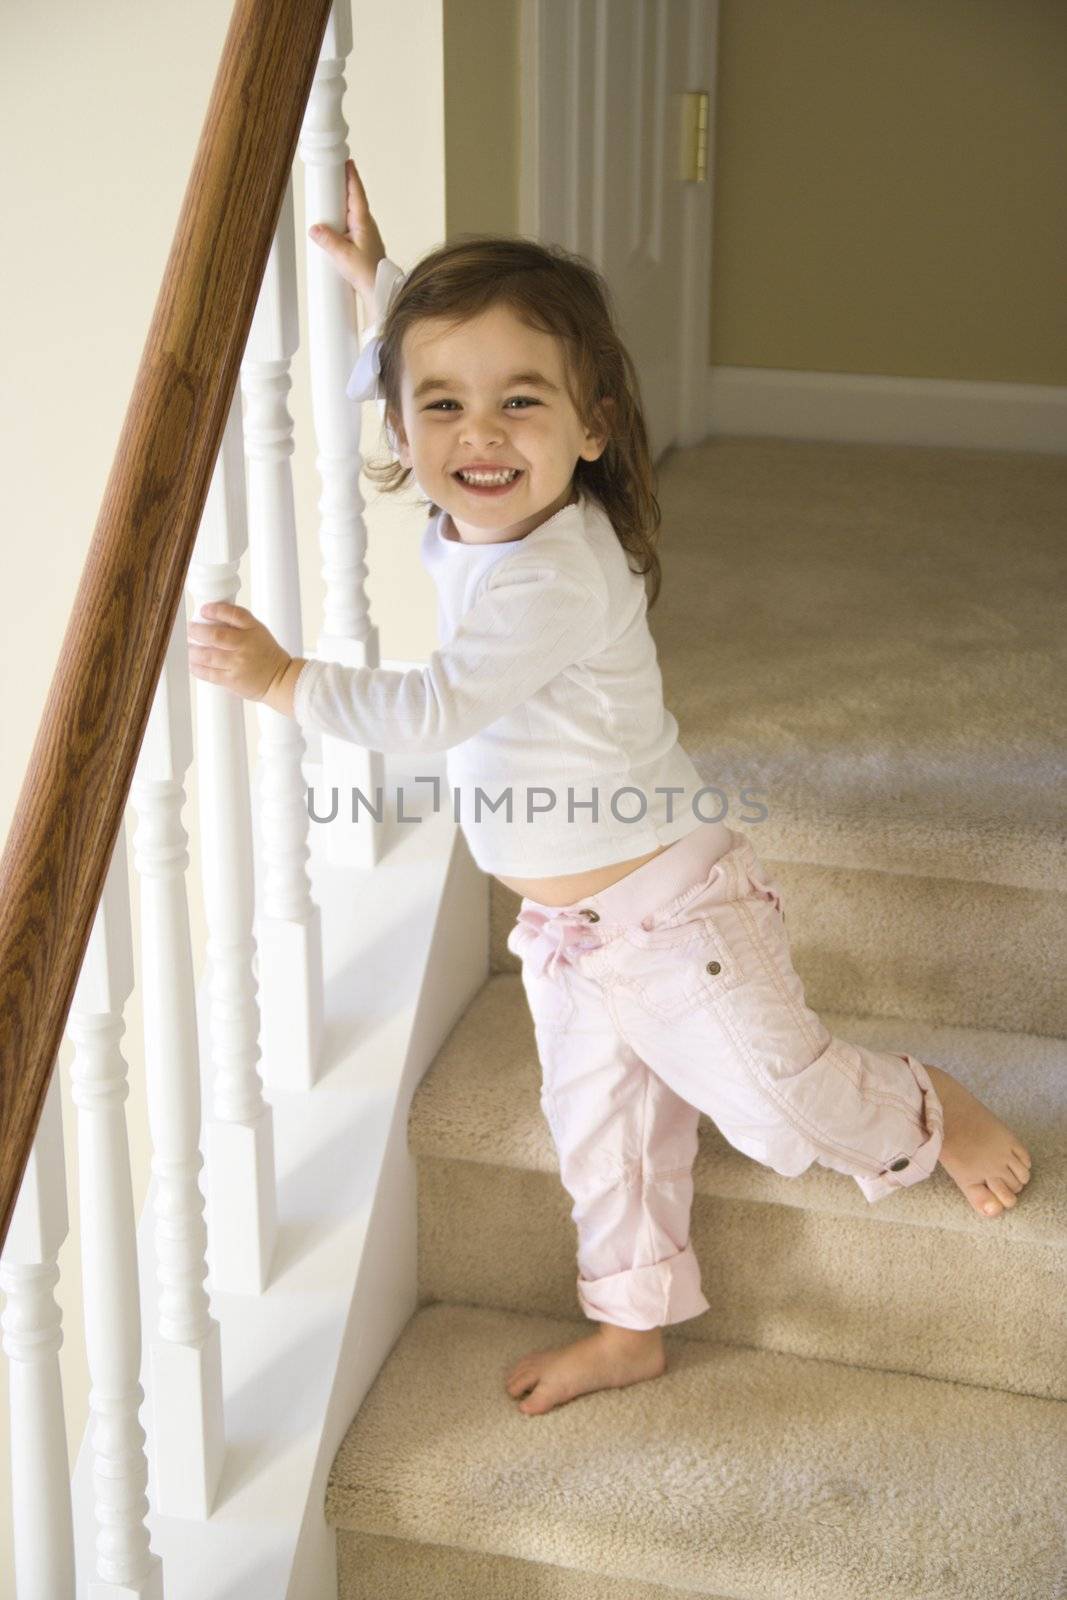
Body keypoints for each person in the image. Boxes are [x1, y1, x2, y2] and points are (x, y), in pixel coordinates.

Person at [186, 158, 1032, 1418]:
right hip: (568, 936)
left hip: (675, 914)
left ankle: (924, 1110)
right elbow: (434, 368)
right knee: (603, 1138)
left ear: (589, 428)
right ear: (403, 429)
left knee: (774, 1102)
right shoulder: (472, 515)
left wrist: (281, 680)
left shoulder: (551, 574)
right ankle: (628, 1321)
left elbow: (427, 712)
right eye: (440, 409)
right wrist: (387, 286)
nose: (477, 433)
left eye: (520, 404)